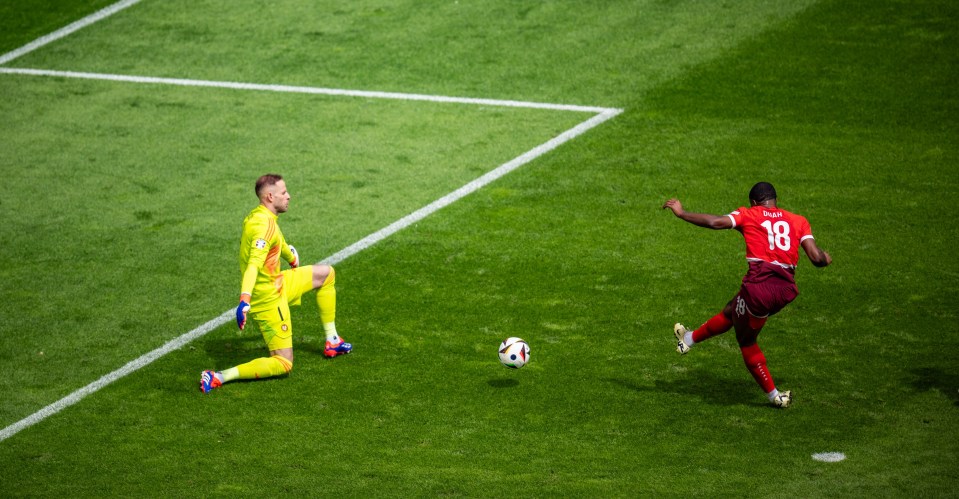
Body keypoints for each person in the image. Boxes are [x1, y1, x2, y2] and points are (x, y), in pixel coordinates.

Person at [662, 182, 831, 408]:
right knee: (734, 308)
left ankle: (775, 396)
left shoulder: (749, 214)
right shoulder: (798, 220)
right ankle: (689, 339)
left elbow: (715, 222)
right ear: (775, 200)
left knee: (746, 340)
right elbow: (817, 258)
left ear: (754, 202)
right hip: (785, 291)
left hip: (758, 290)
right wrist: (826, 258)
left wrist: (682, 213)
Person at [200, 174, 352, 393]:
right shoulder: (264, 228)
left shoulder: (261, 216)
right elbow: (253, 264)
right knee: (283, 363)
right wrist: (245, 300)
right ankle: (218, 376)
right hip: (268, 299)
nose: (289, 196)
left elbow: (276, 241)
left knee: (326, 274)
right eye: (283, 193)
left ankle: (333, 341)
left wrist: (290, 256)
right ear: (270, 197)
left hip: (279, 281)